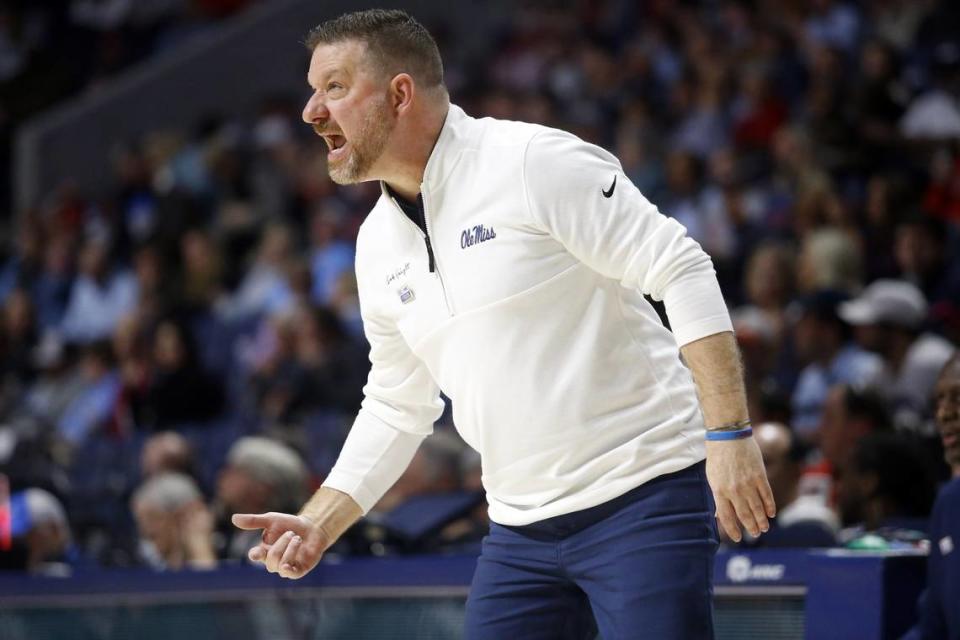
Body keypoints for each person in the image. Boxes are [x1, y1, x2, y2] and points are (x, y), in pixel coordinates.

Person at [231, 9, 774, 639]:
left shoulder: (531, 162)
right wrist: (320, 521)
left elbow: (679, 267)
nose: (310, 111)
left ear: (400, 93)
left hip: (642, 496)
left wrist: (728, 434)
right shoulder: (375, 244)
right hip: (519, 530)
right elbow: (395, 404)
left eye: (333, 87)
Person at [905, 355, 960, 639]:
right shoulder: (949, 502)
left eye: (957, 399)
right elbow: (933, 624)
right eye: (939, 401)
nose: (944, 414)